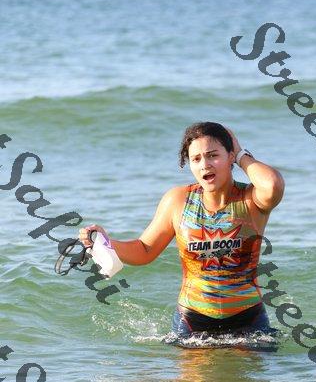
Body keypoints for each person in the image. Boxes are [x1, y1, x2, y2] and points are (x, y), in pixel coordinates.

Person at [79, 122, 284, 342]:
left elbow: (272, 184)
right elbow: (145, 250)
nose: (205, 165)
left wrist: (242, 155)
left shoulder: (251, 199)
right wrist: (105, 242)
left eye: (213, 155)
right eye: (196, 159)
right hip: (192, 320)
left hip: (248, 319)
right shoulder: (178, 201)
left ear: (230, 157)